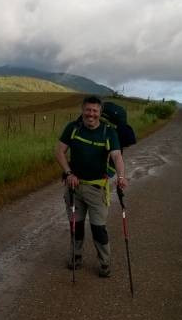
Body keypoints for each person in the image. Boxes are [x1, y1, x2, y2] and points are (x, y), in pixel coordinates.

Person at [55, 95, 128, 277]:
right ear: (82, 110)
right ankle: (76, 257)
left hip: (97, 189)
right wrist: (68, 173)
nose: (91, 114)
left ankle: (105, 263)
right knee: (76, 226)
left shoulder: (108, 132)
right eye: (88, 110)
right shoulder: (73, 128)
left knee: (98, 229)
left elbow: (117, 156)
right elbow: (59, 151)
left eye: (95, 111)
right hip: (74, 187)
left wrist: (121, 176)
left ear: (100, 112)